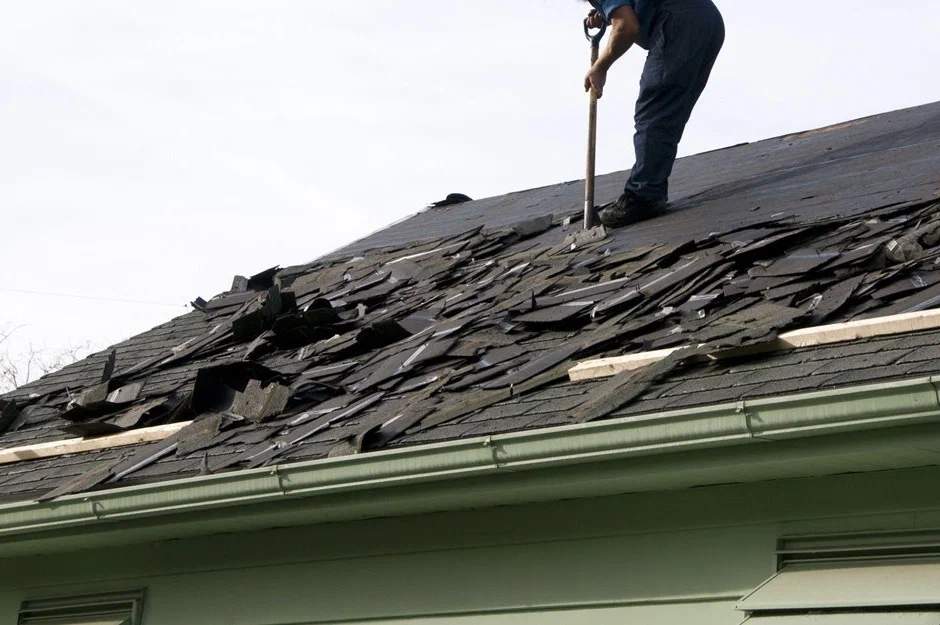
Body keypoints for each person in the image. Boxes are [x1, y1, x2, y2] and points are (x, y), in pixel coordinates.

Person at [583, 0, 724, 228]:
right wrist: (607, 13)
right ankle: (649, 189)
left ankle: (644, 195)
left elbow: (626, 26)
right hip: (708, 21)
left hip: (679, 22)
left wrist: (600, 66)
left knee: (655, 109)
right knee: (668, 112)